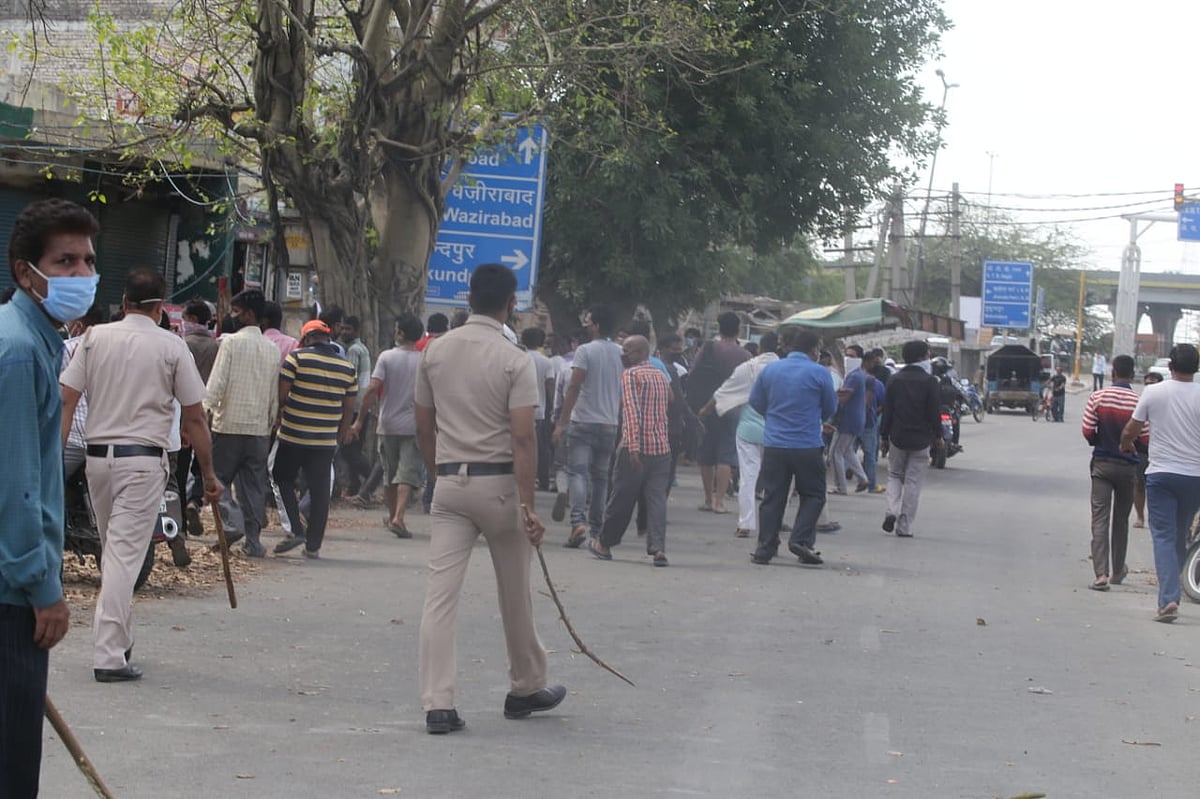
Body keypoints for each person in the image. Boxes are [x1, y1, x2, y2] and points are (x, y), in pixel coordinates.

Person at [414, 262, 565, 735]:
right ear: (510, 303)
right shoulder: (514, 358)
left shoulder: (436, 352)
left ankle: (438, 703)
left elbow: (423, 422)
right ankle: (525, 686)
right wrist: (528, 504)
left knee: (440, 596)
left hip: (450, 485)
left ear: (468, 298)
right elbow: (524, 439)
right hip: (499, 485)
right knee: (514, 592)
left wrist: (438, 470)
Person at [61, 267, 222, 682]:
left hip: (97, 459)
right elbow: (195, 418)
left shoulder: (95, 339)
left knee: (115, 548)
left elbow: (66, 401)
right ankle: (109, 655)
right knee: (121, 555)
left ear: (125, 301)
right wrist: (207, 474)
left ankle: (121, 638)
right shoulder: (171, 346)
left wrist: (53, 457)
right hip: (143, 461)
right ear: (158, 306)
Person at [0, 198, 94, 795]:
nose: (82, 276)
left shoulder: (37, 340)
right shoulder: (17, 351)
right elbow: (18, 485)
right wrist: (44, 590)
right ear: (24, 272)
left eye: (87, 260)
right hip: (13, 594)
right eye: (65, 262)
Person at [1120, 343, 1200, 622]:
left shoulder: (1154, 392)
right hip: (1195, 477)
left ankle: (1168, 599)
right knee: (1180, 533)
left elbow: (1133, 427)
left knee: (1164, 535)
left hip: (1162, 475)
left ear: (1170, 368)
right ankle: (1172, 588)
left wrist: (1126, 443)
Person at [748, 326, 836, 566]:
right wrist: (814, 417)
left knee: (773, 497)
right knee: (814, 495)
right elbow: (830, 407)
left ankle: (765, 548)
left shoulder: (771, 370)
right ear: (813, 349)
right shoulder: (820, 373)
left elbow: (756, 402)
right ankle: (801, 539)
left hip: (775, 444)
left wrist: (775, 416)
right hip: (807, 444)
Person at [203, 289, 281, 558]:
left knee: (217, 479)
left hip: (228, 426)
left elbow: (216, 384)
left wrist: (204, 412)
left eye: (236, 312)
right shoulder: (272, 350)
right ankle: (254, 541)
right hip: (258, 428)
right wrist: (271, 422)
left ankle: (231, 523)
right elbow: (273, 394)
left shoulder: (231, 343)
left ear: (249, 314)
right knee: (253, 487)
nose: (232, 316)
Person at [272, 320, 357, 558]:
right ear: (327, 338)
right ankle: (313, 547)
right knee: (320, 492)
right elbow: (349, 406)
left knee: (282, 477)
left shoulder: (296, 359)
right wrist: (343, 430)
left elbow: (282, 395)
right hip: (325, 439)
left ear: (307, 338)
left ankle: (296, 529)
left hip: (293, 435)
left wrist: (278, 416)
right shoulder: (347, 367)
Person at [589, 335, 673, 565]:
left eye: (627, 351)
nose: (622, 355)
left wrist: (633, 448)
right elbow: (668, 405)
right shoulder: (661, 375)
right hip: (661, 447)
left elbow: (631, 413)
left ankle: (604, 543)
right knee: (657, 499)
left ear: (639, 353)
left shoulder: (631, 375)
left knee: (621, 499)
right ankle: (658, 548)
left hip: (634, 448)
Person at [552, 305, 624, 547]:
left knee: (578, 473)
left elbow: (574, 387)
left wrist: (562, 422)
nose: (586, 326)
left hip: (583, 422)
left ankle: (577, 523)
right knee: (601, 478)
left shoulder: (585, 351)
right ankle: (596, 529)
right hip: (609, 423)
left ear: (598, 326)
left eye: (589, 322)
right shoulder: (621, 352)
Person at [351, 313, 424, 539]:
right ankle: (398, 517)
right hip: (413, 426)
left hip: (388, 424)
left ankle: (394, 515)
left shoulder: (386, 357)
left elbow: (372, 390)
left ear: (400, 333)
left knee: (391, 475)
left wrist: (359, 420)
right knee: (406, 474)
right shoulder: (424, 360)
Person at [1080, 354, 1144, 591]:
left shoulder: (1098, 396)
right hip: (1128, 467)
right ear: (1132, 373)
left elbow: (1087, 429)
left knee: (1099, 519)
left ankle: (1100, 575)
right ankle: (1118, 571)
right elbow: (1145, 436)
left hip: (1102, 465)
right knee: (1121, 520)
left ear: (1113, 373)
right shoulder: (1137, 402)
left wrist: (1099, 441)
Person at [706, 331, 779, 539]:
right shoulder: (783, 370)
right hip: (777, 431)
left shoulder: (748, 368)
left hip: (748, 429)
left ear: (760, 347)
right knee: (775, 480)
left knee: (748, 477)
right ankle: (773, 522)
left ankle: (746, 523)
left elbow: (724, 391)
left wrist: (705, 409)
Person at [687, 311, 751, 513]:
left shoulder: (708, 348)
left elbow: (693, 373)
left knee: (706, 452)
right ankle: (719, 502)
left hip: (707, 405)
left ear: (719, 327)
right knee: (726, 454)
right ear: (738, 330)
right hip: (733, 407)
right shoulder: (745, 355)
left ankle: (707, 499)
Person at [879, 340, 942, 538]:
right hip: (921, 439)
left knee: (895, 475)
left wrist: (884, 436)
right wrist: (938, 436)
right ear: (923, 357)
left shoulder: (895, 380)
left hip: (897, 436)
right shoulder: (931, 381)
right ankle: (904, 526)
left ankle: (891, 510)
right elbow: (934, 412)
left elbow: (888, 411)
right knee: (913, 481)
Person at [180, 298, 221, 536]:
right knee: (201, 463)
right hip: (209, 413)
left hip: (186, 412)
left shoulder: (183, 344)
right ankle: (195, 501)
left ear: (193, 320)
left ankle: (181, 522)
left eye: (184, 318)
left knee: (181, 464)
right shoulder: (217, 347)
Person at [336, 315, 373, 497]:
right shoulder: (363, 349)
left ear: (357, 330)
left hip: (354, 406)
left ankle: (372, 476)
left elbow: (348, 380)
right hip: (362, 405)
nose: (343, 332)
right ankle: (354, 486)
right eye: (342, 328)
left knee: (347, 449)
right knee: (355, 448)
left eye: (347, 329)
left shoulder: (353, 351)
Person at [829, 345, 871, 494]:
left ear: (859, 358)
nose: (848, 358)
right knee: (847, 452)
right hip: (855, 419)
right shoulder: (857, 374)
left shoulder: (853, 376)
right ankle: (862, 478)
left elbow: (843, 398)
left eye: (852, 356)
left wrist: (830, 396)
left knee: (835, 453)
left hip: (847, 420)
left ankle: (841, 487)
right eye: (846, 355)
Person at [521, 327, 557, 493]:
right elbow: (550, 385)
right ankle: (542, 479)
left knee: (520, 444)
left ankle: (522, 477)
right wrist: (553, 406)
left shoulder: (519, 359)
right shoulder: (546, 361)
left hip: (519, 408)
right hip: (539, 409)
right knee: (540, 447)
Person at [1133, 370, 1164, 528]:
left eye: (1153, 383)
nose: (1149, 386)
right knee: (1139, 484)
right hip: (1142, 450)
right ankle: (1140, 516)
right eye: (1147, 383)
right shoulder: (1139, 402)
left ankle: (1156, 518)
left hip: (1161, 451)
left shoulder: (1167, 404)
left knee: (1157, 488)